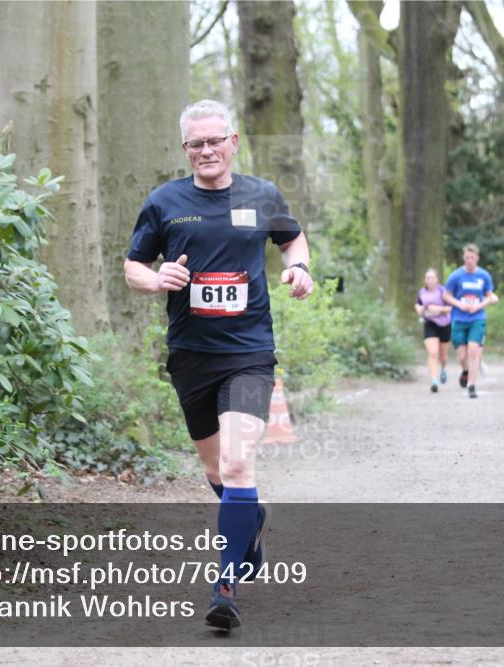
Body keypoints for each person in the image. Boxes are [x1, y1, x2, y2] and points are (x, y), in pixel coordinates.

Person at [123, 100, 313, 630]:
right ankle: (249, 519)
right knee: (215, 471)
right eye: (196, 143)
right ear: (185, 149)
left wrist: (298, 267)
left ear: (233, 142)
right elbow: (134, 265)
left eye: (215, 141)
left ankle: (225, 585)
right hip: (190, 355)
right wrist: (155, 279)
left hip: (250, 354)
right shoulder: (164, 202)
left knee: (236, 463)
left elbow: (292, 238)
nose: (206, 150)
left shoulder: (262, 194)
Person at [443, 244, 496, 399]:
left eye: (472, 258)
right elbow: (446, 295)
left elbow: (490, 296)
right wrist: (459, 304)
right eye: (467, 258)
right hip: (459, 318)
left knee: (473, 351)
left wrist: (479, 305)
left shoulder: (484, 276)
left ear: (477, 258)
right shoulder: (456, 276)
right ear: (463, 258)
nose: (469, 260)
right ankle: (465, 370)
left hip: (477, 318)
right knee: (462, 356)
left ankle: (471, 385)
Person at [415, 268, 452, 393]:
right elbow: (418, 304)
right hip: (430, 324)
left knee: (443, 356)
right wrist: (419, 309)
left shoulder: (443, 291)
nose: (429, 280)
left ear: (437, 279)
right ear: (424, 280)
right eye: (427, 278)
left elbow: (451, 308)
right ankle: (434, 380)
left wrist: (438, 309)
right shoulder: (422, 292)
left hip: (445, 325)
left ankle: (443, 368)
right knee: (433, 352)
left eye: (432, 278)